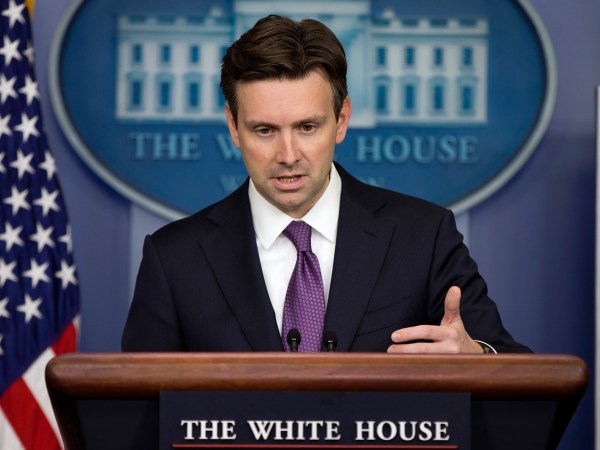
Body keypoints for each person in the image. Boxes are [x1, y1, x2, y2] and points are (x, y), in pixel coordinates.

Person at [122, 15, 530, 354]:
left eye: (307, 127)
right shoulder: (174, 259)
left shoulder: (423, 237)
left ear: (342, 120)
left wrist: (477, 357)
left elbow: (520, 378)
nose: (287, 154)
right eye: (264, 130)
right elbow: (136, 410)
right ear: (233, 126)